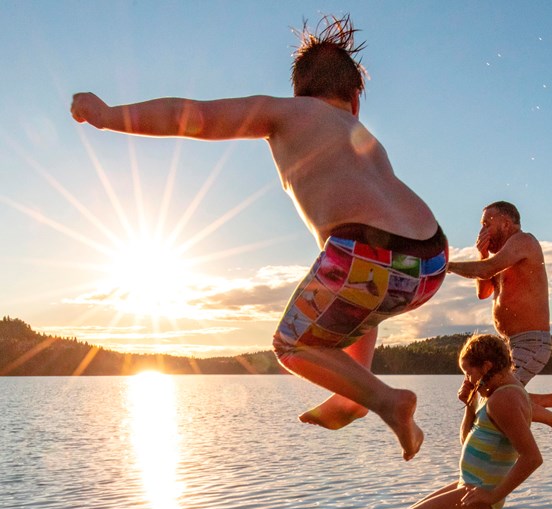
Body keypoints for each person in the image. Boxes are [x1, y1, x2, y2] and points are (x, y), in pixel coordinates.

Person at [70, 15, 448, 461]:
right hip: (430, 259)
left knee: (292, 344)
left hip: (367, 252)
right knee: (366, 297)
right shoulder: (366, 138)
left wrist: (109, 116)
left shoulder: (286, 113)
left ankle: (387, 401)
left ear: (299, 92)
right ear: (356, 99)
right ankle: (352, 395)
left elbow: (195, 116)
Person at [388, 334, 543, 509]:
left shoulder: (504, 399)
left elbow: (532, 458)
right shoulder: (496, 394)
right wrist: (469, 405)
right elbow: (466, 440)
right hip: (469, 485)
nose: (468, 380)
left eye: (469, 372)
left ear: (486, 366)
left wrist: (492, 495)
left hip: (481, 493)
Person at [447, 201, 552, 453]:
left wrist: (446, 266)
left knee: (497, 394)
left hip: (532, 342)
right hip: (510, 344)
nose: (481, 231)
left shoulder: (524, 241)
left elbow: (486, 270)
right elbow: (484, 290)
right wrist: (482, 254)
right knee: (493, 393)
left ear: (505, 222)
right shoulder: (501, 257)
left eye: (486, 224)